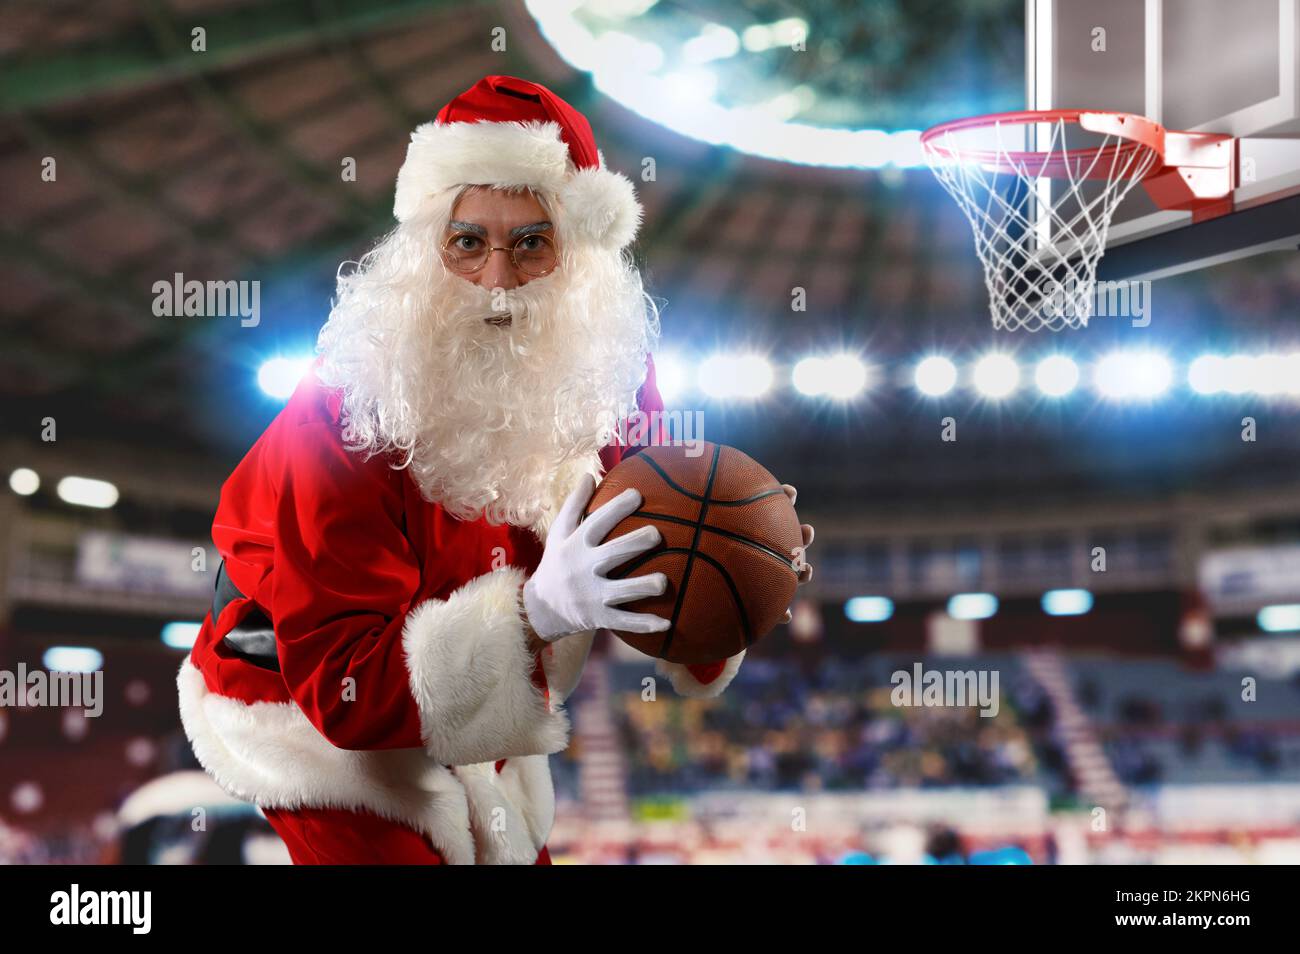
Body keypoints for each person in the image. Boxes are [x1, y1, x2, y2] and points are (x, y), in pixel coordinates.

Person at [177, 75, 814, 864]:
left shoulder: (610, 375)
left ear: (578, 256)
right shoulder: (338, 416)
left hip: (478, 706)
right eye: (469, 241)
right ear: (427, 245)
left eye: (532, 243)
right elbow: (344, 695)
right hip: (306, 709)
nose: (497, 281)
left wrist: (745, 569)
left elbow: (673, 556)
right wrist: (535, 615)